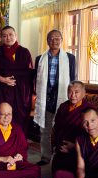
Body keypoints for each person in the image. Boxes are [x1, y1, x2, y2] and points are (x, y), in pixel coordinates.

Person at [34, 29, 76, 165]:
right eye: (52, 38)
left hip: (63, 99)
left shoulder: (69, 58)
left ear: (62, 41)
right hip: (45, 100)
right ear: (47, 41)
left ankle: (61, 156)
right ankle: (45, 157)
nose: (55, 41)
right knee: (44, 131)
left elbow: (73, 80)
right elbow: (36, 80)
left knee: (62, 130)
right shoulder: (40, 59)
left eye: (58, 38)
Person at [0, 25, 34, 135]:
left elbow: (29, 72)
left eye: (10, 35)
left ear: (15, 36)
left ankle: (20, 143)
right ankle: (4, 143)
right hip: (4, 91)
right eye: (4, 36)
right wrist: (3, 79)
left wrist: (15, 79)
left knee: (20, 118)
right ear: (1, 38)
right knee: (4, 116)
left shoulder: (24, 52)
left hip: (21, 93)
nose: (8, 38)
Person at [51, 81, 94, 172]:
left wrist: (75, 147)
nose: (72, 95)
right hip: (61, 148)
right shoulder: (63, 106)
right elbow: (56, 127)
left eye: (76, 92)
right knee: (57, 171)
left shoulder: (89, 109)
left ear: (83, 93)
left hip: (78, 151)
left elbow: (92, 134)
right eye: (70, 92)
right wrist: (57, 144)